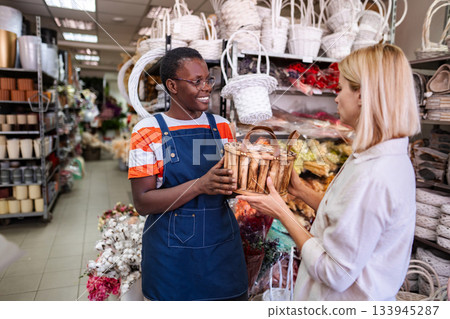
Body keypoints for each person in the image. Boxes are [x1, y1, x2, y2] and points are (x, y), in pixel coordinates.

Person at [238, 43, 421, 301]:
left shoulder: (375, 175)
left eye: (341, 88)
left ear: (362, 95)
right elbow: (349, 218)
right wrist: (300, 191)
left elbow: (334, 272)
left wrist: (281, 210)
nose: (336, 97)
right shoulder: (381, 156)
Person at [128, 47, 248, 301]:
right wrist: (200, 185)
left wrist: (247, 176)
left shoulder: (223, 127)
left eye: (208, 79)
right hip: (172, 258)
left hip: (222, 249)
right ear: (172, 85)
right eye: (197, 81)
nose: (206, 87)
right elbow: (143, 202)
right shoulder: (148, 131)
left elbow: (230, 186)